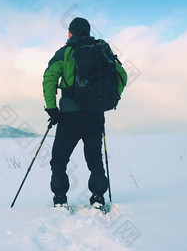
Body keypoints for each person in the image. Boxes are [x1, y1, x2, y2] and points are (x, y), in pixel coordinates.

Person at [42, 17, 125, 208]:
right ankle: (97, 198)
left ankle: (60, 200)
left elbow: (49, 78)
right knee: (95, 158)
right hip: (95, 115)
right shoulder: (102, 51)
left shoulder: (64, 53)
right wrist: (112, 99)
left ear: (70, 33)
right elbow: (122, 74)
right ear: (88, 32)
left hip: (69, 115)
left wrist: (51, 107)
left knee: (59, 159)